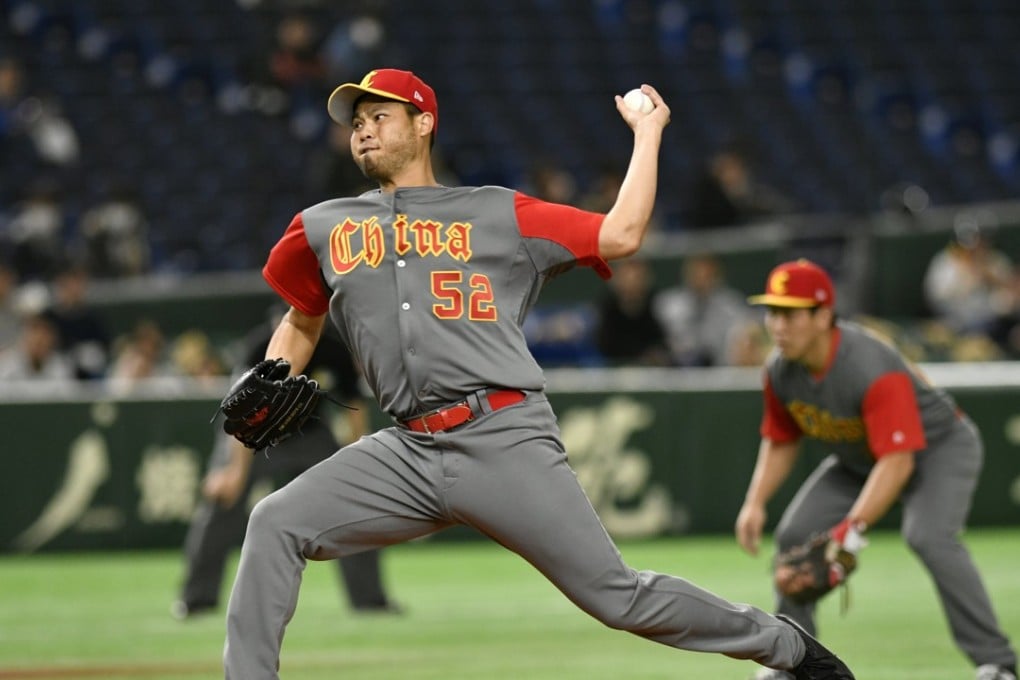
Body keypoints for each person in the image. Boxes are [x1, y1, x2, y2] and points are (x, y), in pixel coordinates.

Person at [221, 67, 854, 679]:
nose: (363, 129)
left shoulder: (497, 213)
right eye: (357, 121)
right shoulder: (325, 225)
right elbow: (301, 318)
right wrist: (274, 370)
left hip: (501, 436)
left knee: (617, 597)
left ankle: (784, 646)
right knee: (275, 521)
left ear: (424, 124)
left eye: (380, 116)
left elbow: (622, 234)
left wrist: (647, 135)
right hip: (406, 449)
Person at [734, 259, 1017, 680]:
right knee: (795, 536)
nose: (777, 325)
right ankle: (793, 664)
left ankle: (997, 663)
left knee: (929, 537)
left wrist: (848, 533)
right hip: (860, 460)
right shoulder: (780, 369)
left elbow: (899, 461)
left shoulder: (869, 365)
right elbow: (781, 438)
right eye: (772, 311)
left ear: (823, 316)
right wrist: (755, 502)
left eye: (790, 313)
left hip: (938, 450)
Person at [173, 314, 397, 620]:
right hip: (255, 434)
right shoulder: (261, 345)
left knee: (353, 505)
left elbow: (355, 406)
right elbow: (238, 411)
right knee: (223, 500)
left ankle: (370, 599)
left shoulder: (331, 346)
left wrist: (357, 459)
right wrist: (234, 471)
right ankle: (196, 599)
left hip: (310, 433)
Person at [653, 253, 753, 366]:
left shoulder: (732, 306)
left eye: (707, 274)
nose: (701, 279)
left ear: (718, 276)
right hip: (674, 370)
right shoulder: (667, 305)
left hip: (719, 370)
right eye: (696, 273)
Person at [593, 256, 670, 365]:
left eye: (637, 278)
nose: (631, 285)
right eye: (625, 278)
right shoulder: (605, 307)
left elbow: (663, 344)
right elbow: (603, 344)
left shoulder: (658, 305)